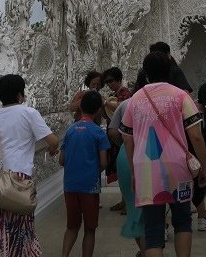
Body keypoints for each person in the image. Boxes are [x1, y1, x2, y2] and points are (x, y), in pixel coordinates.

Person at [121, 51, 206, 257]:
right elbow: (195, 136)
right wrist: (204, 167)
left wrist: (134, 171)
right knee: (182, 222)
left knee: (152, 229)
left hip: (146, 168)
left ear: (145, 73)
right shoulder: (180, 95)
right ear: (169, 70)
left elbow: (127, 137)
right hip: (177, 167)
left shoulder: (135, 99)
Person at [0, 74, 60, 257]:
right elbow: (53, 140)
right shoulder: (29, 113)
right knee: (16, 230)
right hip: (16, 180)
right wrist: (52, 150)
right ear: (20, 95)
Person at [60, 90, 111, 257]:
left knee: (72, 226)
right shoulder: (98, 133)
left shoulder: (70, 130)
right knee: (90, 229)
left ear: (80, 107)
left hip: (70, 185)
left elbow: (62, 160)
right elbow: (103, 162)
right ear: (98, 110)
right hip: (90, 186)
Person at [107, 69, 148, 255]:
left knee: (134, 208)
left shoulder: (127, 104)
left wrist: (124, 145)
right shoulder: (171, 99)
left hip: (128, 154)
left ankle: (146, 249)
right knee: (156, 206)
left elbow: (113, 131)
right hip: (157, 155)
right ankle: (153, 246)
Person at [102, 66, 132, 210]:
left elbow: (121, 107)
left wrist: (106, 103)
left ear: (119, 79)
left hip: (123, 134)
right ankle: (124, 200)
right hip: (115, 135)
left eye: (111, 81)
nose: (109, 84)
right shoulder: (115, 94)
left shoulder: (125, 93)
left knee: (125, 168)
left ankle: (128, 201)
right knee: (120, 169)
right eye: (107, 82)